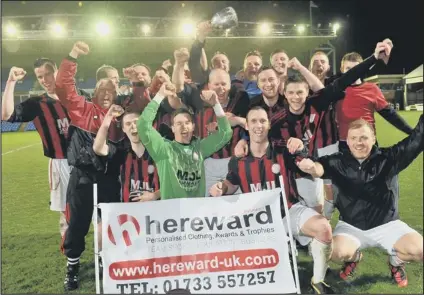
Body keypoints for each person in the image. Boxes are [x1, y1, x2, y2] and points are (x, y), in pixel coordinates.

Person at [55, 41, 150, 291]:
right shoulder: (81, 108)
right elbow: (63, 87)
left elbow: (144, 107)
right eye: (103, 88)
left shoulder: (123, 114)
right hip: (83, 178)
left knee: (110, 223)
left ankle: (106, 261)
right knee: (77, 224)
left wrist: (138, 82)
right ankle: (72, 268)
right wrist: (73, 54)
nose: (108, 92)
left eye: (113, 87)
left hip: (111, 180)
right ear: (94, 90)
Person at [209, 106, 336, 294]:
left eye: (262, 121)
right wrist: (221, 187)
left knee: (323, 228)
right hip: (259, 221)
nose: (258, 125)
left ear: (269, 125)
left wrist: (313, 168)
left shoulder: (284, 150)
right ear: (247, 126)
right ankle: (284, 254)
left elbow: (316, 169)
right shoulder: (238, 159)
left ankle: (317, 281)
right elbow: (231, 184)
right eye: (253, 121)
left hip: (289, 210)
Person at [297, 115, 423, 288]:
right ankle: (354, 258)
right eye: (354, 138)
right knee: (331, 251)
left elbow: (416, 141)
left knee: (419, 250)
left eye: (364, 138)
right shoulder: (337, 161)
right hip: (351, 226)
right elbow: (318, 168)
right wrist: (311, 167)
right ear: (347, 141)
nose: (359, 143)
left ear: (373, 138)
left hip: (387, 224)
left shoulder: (389, 158)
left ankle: (395, 262)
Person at [2, 58, 87, 237]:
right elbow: (6, 115)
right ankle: (71, 258)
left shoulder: (79, 95)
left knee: (95, 208)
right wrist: (11, 82)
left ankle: (101, 255)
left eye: (49, 74)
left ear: (57, 72)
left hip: (86, 162)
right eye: (40, 77)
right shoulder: (36, 103)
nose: (45, 80)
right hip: (59, 163)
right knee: (66, 213)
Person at [137, 82, 233, 199]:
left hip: (195, 215)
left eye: (187, 123)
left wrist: (216, 104)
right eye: (178, 123)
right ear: (172, 128)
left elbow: (225, 134)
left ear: (193, 126)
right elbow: (143, 125)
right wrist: (160, 95)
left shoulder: (200, 148)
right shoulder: (163, 148)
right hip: (171, 215)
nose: (184, 126)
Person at [93, 105, 160, 203]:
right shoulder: (119, 153)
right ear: (123, 129)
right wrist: (108, 117)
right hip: (127, 214)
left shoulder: (159, 152)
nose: (133, 126)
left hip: (158, 213)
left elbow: (173, 183)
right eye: (128, 124)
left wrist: (154, 195)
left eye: (137, 122)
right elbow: (98, 148)